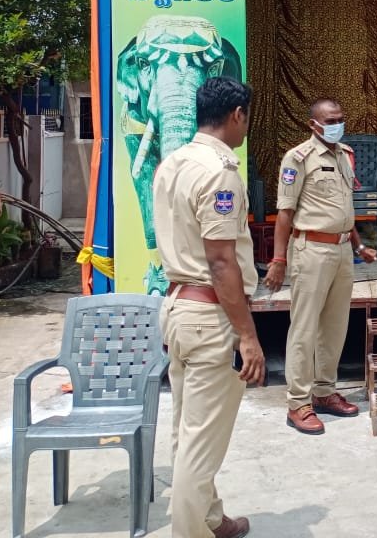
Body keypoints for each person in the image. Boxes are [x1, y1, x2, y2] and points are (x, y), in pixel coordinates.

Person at [154, 76, 265, 538]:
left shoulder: (173, 162)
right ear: (237, 114)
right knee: (200, 447)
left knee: (189, 430)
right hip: (208, 316)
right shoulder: (220, 171)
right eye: (247, 118)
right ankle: (189, 531)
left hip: (179, 308)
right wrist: (248, 335)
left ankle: (210, 520)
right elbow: (221, 262)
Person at [265, 98, 377, 434]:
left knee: (335, 325)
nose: (337, 124)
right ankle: (298, 402)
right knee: (304, 328)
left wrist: (358, 245)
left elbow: (345, 208)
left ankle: (324, 392)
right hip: (311, 249)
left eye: (341, 118)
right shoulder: (297, 159)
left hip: (343, 250)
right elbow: (285, 213)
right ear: (314, 124)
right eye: (331, 120)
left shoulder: (344, 154)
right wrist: (279, 259)